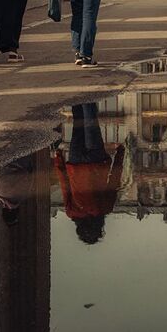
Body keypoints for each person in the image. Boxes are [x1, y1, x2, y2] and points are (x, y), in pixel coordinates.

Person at [54, 103, 124, 245]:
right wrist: (58, 159)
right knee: (78, 124)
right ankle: (77, 97)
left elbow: (114, 180)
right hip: (76, 163)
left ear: (100, 227)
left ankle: (88, 95)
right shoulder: (72, 212)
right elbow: (64, 184)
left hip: (96, 161)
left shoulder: (105, 208)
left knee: (91, 121)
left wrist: (120, 154)